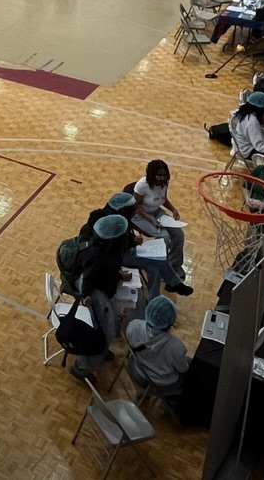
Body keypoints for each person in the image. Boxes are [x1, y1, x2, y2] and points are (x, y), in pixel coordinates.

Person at [70, 214, 131, 380]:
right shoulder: (97, 255)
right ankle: (81, 368)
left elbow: (106, 271)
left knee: (110, 328)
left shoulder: (111, 250)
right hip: (95, 293)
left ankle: (101, 352)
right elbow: (89, 278)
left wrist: (118, 276)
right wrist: (86, 297)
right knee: (105, 331)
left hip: (105, 289)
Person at [127, 160, 188, 292]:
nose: (162, 178)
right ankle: (161, 268)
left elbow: (163, 199)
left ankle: (174, 265)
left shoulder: (164, 183)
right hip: (140, 215)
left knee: (179, 234)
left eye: (164, 175)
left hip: (156, 212)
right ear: (151, 175)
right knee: (164, 237)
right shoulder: (141, 185)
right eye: (159, 175)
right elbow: (136, 206)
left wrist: (174, 210)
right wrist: (151, 219)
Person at [125, 297, 191, 409]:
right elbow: (183, 369)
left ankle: (142, 392)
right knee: (192, 370)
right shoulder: (175, 346)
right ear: (171, 322)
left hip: (137, 371)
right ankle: (169, 404)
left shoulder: (133, 325)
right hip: (161, 384)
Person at [231, 91, 264, 161]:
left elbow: (255, 130)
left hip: (244, 146)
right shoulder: (251, 121)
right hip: (249, 152)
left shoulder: (244, 114)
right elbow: (260, 147)